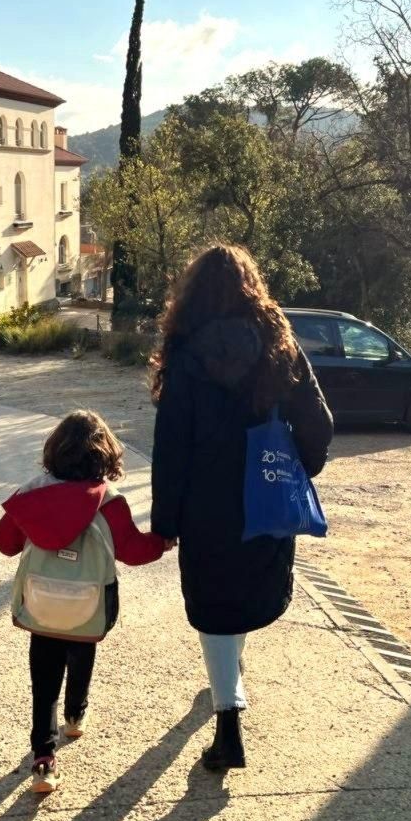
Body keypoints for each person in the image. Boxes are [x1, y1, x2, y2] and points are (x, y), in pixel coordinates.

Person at [150, 244, 334, 771]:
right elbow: (318, 423)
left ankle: (228, 718)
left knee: (214, 606)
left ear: (192, 294)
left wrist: (166, 520)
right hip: (265, 499)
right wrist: (301, 469)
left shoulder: (184, 355)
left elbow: (172, 445)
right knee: (245, 596)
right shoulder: (280, 344)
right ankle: (230, 683)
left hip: (206, 507)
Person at [0, 410, 167, 794]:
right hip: (89, 602)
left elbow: (5, 543)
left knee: (43, 679)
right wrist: (164, 540)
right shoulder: (109, 501)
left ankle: (43, 759)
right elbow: (134, 551)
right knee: (82, 648)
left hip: (40, 604)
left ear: (53, 451)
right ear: (105, 455)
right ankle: (75, 713)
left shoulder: (30, 494)